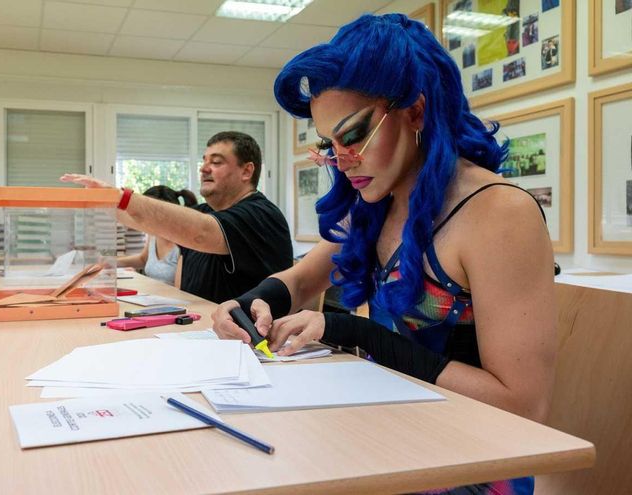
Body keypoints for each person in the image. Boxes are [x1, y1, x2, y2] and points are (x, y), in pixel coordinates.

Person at [211, 14, 555, 495]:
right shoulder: (380, 203)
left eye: (353, 136)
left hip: (472, 467)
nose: (342, 160)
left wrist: (350, 329)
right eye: (329, 144)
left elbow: (523, 407)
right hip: (390, 436)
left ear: (415, 111)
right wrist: (251, 301)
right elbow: (304, 279)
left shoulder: (499, 214)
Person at [61, 131, 293, 303]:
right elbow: (143, 222)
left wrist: (121, 197)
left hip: (251, 342)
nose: (204, 168)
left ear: (247, 171)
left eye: (216, 162)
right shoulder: (205, 212)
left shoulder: (260, 215)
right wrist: (103, 202)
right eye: (204, 161)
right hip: (202, 328)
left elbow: (201, 232)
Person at [117, 185, 197, 286]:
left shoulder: (184, 245)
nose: (144, 219)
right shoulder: (153, 236)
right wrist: (110, 263)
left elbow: (181, 293)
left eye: (149, 213)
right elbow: (143, 259)